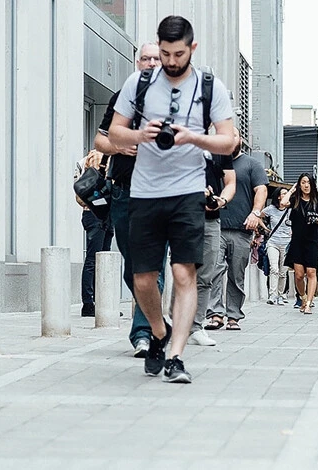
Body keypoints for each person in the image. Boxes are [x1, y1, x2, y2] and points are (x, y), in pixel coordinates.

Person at [108, 16, 237, 383]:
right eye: (164, 53)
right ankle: (159, 333)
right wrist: (139, 134)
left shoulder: (210, 86)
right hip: (145, 192)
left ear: (191, 49)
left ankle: (176, 356)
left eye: (177, 54)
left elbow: (229, 141)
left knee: (184, 273)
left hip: (188, 192)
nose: (170, 61)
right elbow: (113, 133)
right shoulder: (140, 82)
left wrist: (193, 138)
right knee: (143, 279)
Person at [94, 42, 159, 357]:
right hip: (124, 190)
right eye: (145, 58)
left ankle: (144, 333)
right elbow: (99, 139)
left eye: (155, 59)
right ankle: (154, 315)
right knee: (132, 268)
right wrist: (119, 147)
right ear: (137, 63)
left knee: (152, 265)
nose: (149, 63)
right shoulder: (123, 98)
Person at [206, 143, 268, 330]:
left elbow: (262, 190)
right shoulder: (212, 162)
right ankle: (216, 314)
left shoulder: (251, 164)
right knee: (214, 270)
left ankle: (233, 315)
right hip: (215, 225)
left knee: (236, 274)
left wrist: (256, 213)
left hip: (242, 229)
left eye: (234, 136)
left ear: (240, 140)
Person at [188, 147, 236, 347]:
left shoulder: (220, 147)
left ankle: (196, 328)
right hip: (183, 215)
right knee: (184, 272)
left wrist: (221, 199)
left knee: (206, 275)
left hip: (211, 219)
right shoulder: (179, 140)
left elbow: (230, 182)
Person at [73, 150, 115, 318]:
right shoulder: (100, 156)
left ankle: (98, 303)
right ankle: (89, 303)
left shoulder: (90, 157)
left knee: (101, 259)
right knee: (95, 258)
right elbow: (100, 187)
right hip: (97, 212)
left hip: (98, 213)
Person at [281, 173, 318, 314]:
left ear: (312, 185)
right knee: (299, 275)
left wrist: (316, 221)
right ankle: (303, 297)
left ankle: (309, 304)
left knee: (311, 271)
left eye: (308, 183)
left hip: (312, 240)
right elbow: (283, 203)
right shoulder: (295, 200)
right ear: (299, 185)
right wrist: (292, 190)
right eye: (303, 183)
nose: (306, 185)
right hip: (297, 241)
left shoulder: (317, 201)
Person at [262, 187, 291, 305]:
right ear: (278, 196)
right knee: (274, 268)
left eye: (287, 193)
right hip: (273, 242)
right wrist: (265, 228)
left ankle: (280, 294)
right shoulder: (271, 209)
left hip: (287, 243)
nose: (286, 195)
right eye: (283, 193)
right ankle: (272, 295)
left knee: (283, 272)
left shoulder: (291, 210)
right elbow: (259, 215)